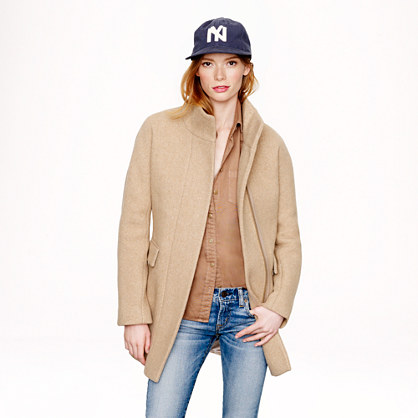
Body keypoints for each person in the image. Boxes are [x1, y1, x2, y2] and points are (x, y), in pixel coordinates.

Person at [117, 17, 302, 417]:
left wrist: (277, 306)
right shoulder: (158, 131)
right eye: (208, 63)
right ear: (196, 70)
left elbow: (287, 238)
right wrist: (135, 314)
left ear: (247, 68)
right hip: (180, 307)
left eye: (231, 63)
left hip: (248, 311)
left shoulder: (271, 146)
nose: (220, 75)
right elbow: (133, 226)